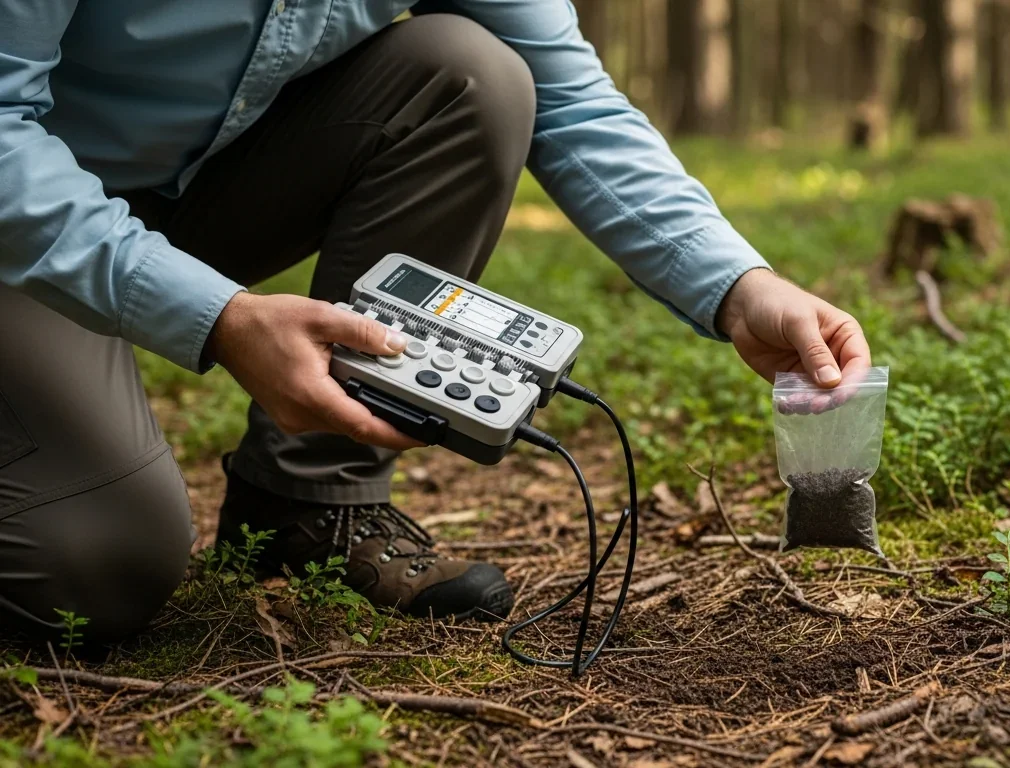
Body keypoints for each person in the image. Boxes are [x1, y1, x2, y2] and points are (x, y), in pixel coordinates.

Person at [0, 2, 871, 640]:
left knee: (468, 72)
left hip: (192, 190)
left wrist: (739, 284)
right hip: (20, 212)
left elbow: (573, 101)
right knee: (92, 570)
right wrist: (217, 314)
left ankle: (308, 508)